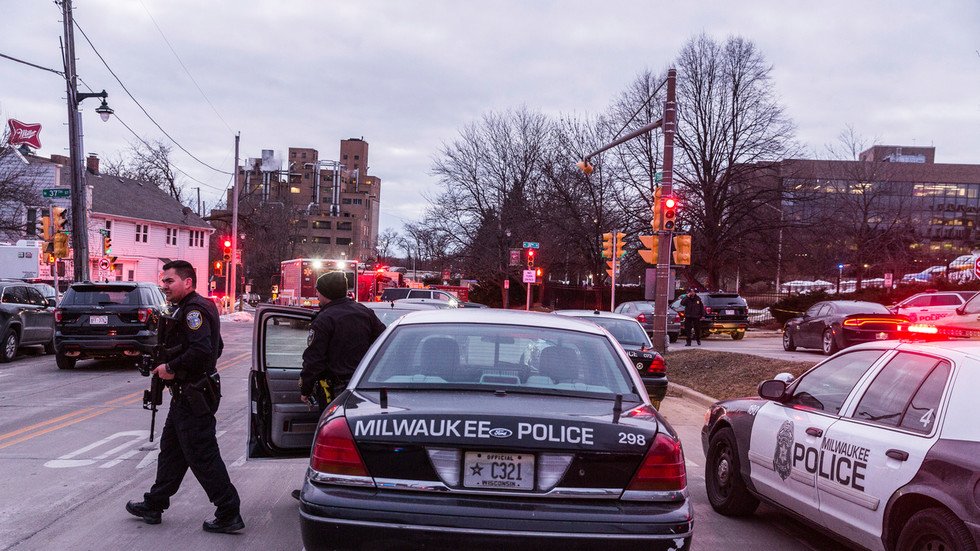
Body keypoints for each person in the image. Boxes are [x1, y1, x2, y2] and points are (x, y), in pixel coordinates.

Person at [126, 260, 243, 534]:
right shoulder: (196, 307)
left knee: (202, 456)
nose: (163, 286)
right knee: (172, 451)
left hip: (195, 394)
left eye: (169, 281)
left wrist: (172, 367)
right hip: (187, 393)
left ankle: (228, 511)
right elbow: (217, 346)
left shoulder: (193, 311)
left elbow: (203, 350)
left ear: (187, 282)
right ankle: (154, 504)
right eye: (163, 280)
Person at [299, 271, 386, 411]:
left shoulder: (324, 319)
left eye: (318, 291)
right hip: (366, 384)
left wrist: (306, 389)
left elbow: (314, 359)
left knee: (336, 427)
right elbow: (384, 344)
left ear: (326, 293)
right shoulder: (365, 312)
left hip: (337, 389)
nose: (317, 295)